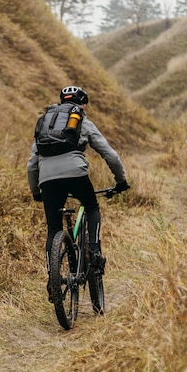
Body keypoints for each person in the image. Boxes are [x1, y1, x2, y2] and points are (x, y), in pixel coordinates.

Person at [27, 85, 129, 300]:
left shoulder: (48, 122)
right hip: (75, 173)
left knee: (54, 228)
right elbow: (110, 155)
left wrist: (36, 191)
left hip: (47, 179)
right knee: (91, 206)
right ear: (83, 103)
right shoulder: (82, 120)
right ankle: (93, 251)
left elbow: (31, 165)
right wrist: (121, 182)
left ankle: (52, 279)